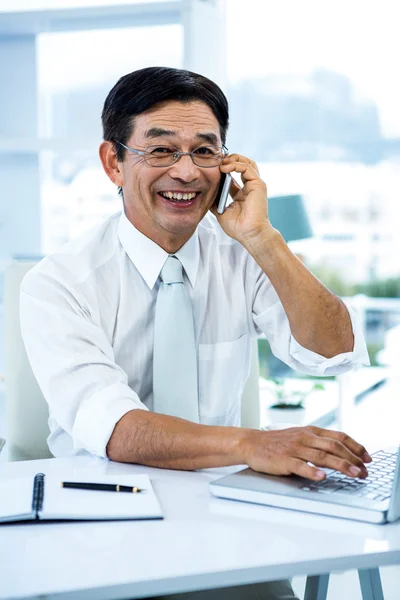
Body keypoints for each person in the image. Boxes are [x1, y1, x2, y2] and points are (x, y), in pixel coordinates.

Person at [20, 66, 371, 600]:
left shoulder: (243, 254)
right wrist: (255, 444)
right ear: (113, 162)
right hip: (95, 521)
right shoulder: (58, 281)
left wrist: (263, 237)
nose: (186, 172)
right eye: (160, 151)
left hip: (226, 513)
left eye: (205, 152)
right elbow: (118, 429)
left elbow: (335, 353)